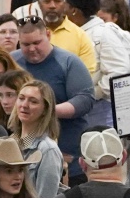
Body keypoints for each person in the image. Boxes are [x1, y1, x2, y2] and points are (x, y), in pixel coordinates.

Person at [14, 15, 97, 167]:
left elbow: (85, 100)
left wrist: (46, 110)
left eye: (37, 42)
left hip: (66, 152)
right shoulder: (13, 62)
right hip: (22, 154)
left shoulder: (68, 62)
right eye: (26, 44)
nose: (32, 49)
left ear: (48, 34)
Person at [8, 78, 64, 198]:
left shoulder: (48, 150)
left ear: (45, 110)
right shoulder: (9, 142)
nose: (24, 105)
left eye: (33, 101)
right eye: (21, 98)